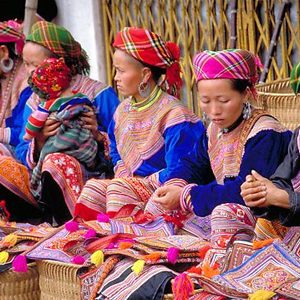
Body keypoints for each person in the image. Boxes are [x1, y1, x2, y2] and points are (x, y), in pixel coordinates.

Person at [152, 49, 292, 245]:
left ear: (245, 94)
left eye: (224, 101)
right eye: (205, 101)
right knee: (157, 197)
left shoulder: (266, 133)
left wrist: (186, 195)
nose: (214, 111)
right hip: (229, 209)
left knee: (224, 214)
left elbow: (246, 192)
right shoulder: (215, 130)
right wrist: (176, 183)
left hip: (270, 220)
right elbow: (193, 163)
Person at [74, 27, 204, 220]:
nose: (115, 78)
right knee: (93, 188)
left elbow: (180, 168)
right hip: (132, 186)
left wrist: (137, 182)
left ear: (144, 75)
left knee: (119, 189)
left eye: (120, 71)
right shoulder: (122, 111)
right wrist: (123, 173)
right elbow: (116, 149)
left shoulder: (175, 115)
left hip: (166, 191)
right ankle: (92, 237)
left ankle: (121, 242)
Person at [0, 21, 119, 224]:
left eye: (35, 65)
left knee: (57, 162)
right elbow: (22, 148)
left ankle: (72, 222)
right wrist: (39, 139)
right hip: (41, 180)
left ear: (59, 62)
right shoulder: (33, 100)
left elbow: (123, 143)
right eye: (26, 64)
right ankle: (35, 219)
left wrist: (98, 135)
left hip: (91, 180)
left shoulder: (99, 94)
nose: (28, 71)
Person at [24, 57, 99, 200]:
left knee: (48, 158)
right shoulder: (82, 97)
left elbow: (32, 125)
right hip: (86, 149)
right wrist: (39, 140)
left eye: (34, 63)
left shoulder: (50, 104)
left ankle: (35, 184)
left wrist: (30, 135)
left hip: (63, 145)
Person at [240, 62, 300, 230]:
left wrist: (282, 197)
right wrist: (259, 192)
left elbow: (281, 194)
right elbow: (282, 180)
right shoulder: (299, 137)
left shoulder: (266, 132)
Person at [0, 20, 29, 156]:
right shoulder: (4, 77)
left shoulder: (27, 82)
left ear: (3, 52)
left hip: (23, 157)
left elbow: (25, 134)